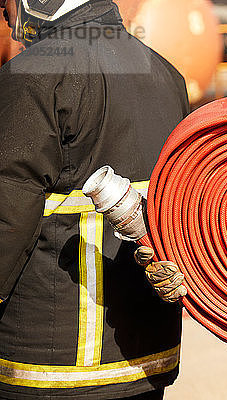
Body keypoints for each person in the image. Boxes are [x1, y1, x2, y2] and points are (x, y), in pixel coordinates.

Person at [0, 0, 189, 398]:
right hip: (149, 357)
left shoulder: (33, 76)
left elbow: (5, 217)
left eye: (8, 5)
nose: (7, 17)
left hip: (50, 366)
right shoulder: (166, 73)